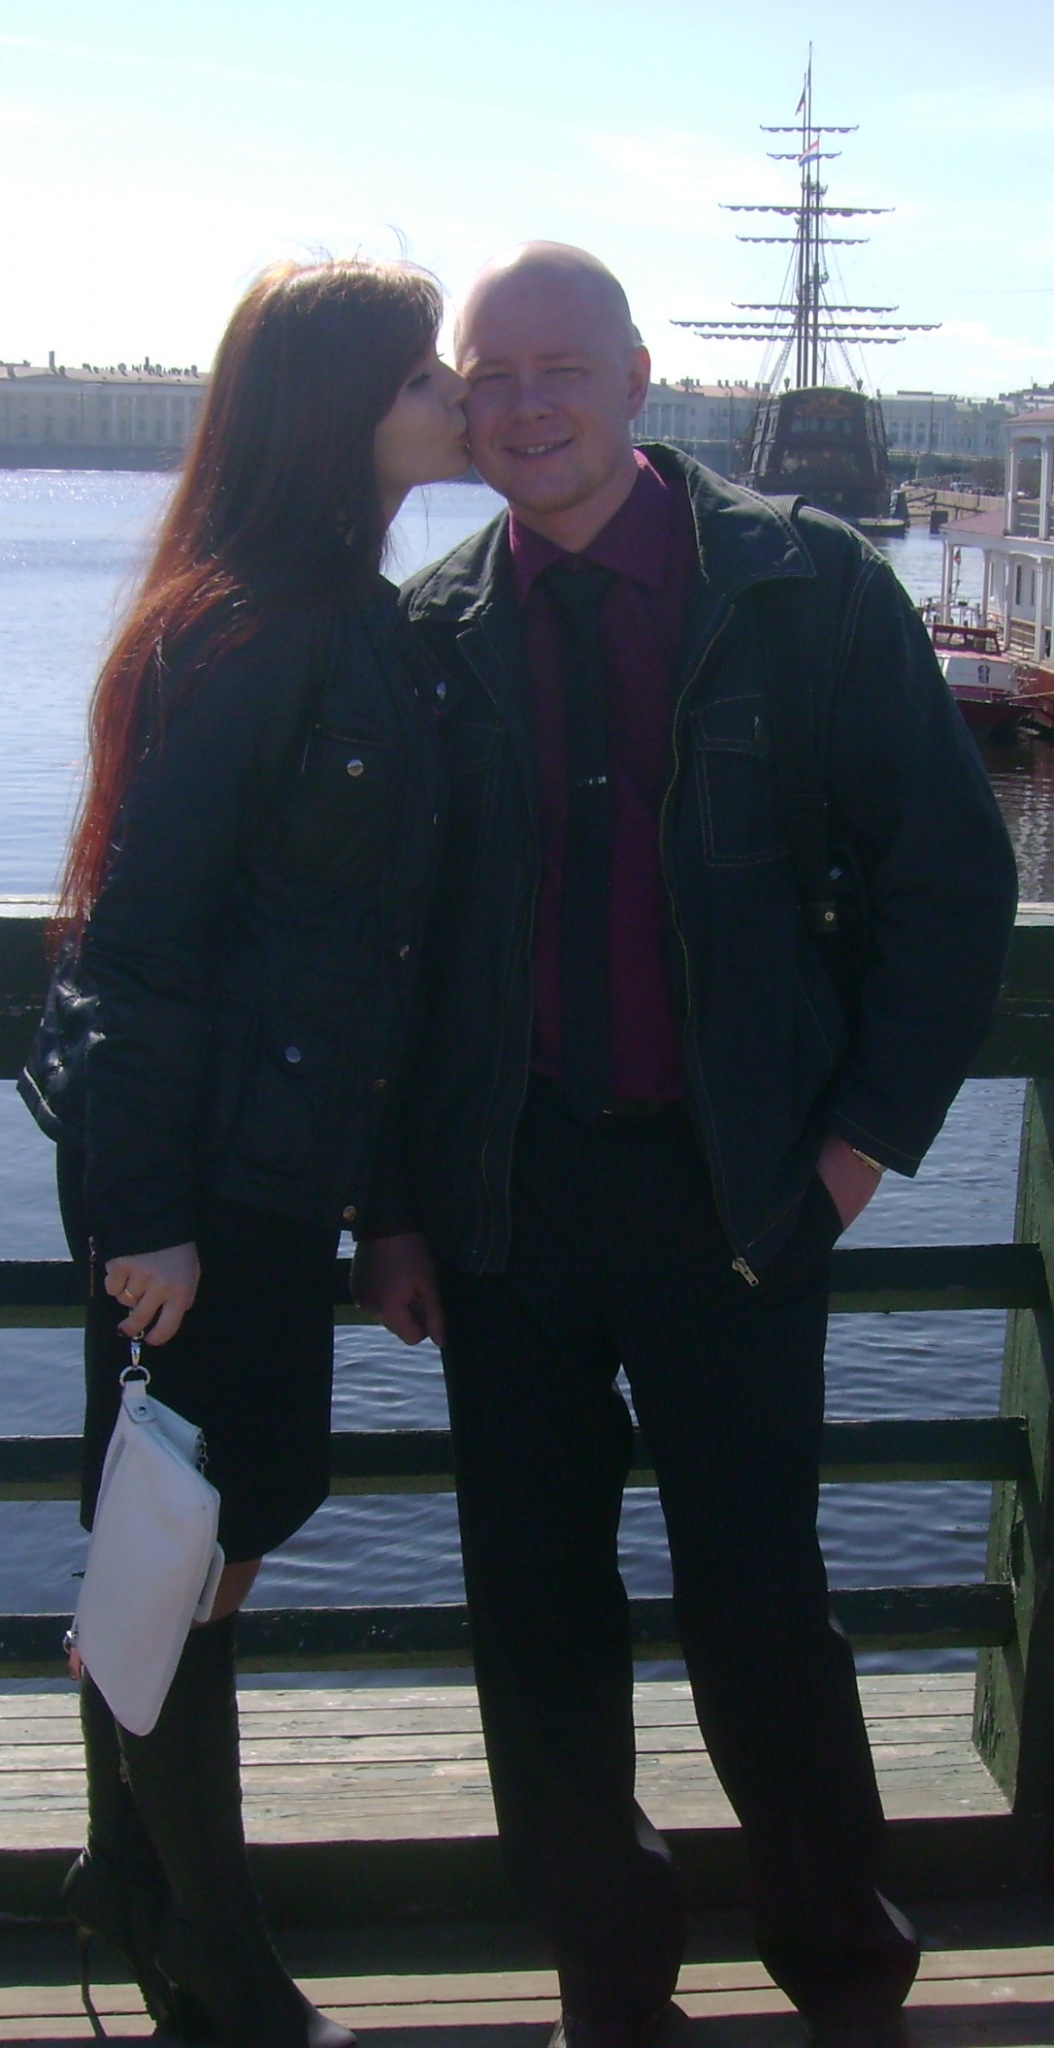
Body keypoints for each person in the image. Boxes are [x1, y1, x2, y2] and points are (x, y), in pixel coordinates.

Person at [354, 242, 1019, 2048]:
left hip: (737, 1187)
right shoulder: (428, 635)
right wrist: (392, 1211)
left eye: (559, 368)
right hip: (503, 1204)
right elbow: (393, 957)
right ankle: (609, 1983)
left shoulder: (804, 589)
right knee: (535, 1614)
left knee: (760, 1606)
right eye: (489, 376)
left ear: (639, 381)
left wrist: (854, 1153)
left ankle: (843, 1975)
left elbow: (948, 886)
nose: (523, 407)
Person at [19, 256, 468, 2048]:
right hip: (202, 1198)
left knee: (198, 1537)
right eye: (422, 374)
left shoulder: (344, 619)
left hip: (272, 1186)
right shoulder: (256, 633)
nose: (452, 396)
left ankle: (131, 1887)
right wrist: (150, 1219)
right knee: (186, 1558)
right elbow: (136, 947)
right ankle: (219, 1962)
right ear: (335, 408)